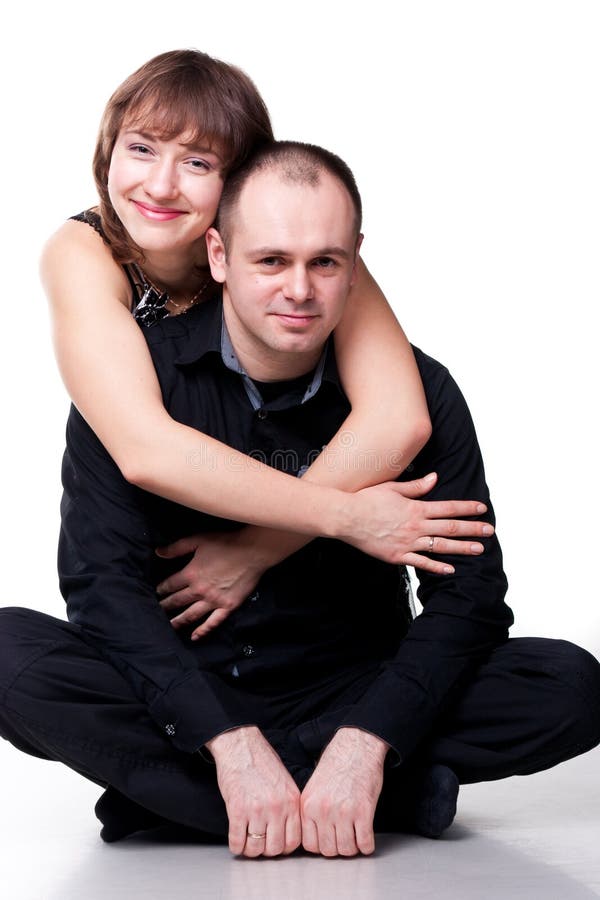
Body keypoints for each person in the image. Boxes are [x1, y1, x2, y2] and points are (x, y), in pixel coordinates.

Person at [1, 141, 599, 859]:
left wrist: (368, 740)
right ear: (218, 256)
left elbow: (469, 599)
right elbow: (103, 594)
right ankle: (386, 795)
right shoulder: (135, 384)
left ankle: (178, 799)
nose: (300, 289)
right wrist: (224, 738)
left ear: (356, 264)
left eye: (325, 262)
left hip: (355, 687)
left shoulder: (418, 391)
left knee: (570, 685)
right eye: (271, 261)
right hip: (184, 693)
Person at [41, 48, 471, 638]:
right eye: (140, 148)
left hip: (311, 568)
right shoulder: (82, 251)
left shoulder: (291, 241)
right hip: (160, 551)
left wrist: (256, 552)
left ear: (241, 176)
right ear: (108, 150)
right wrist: (346, 517)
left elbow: (398, 420)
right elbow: (145, 451)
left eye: (197, 162)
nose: (159, 186)